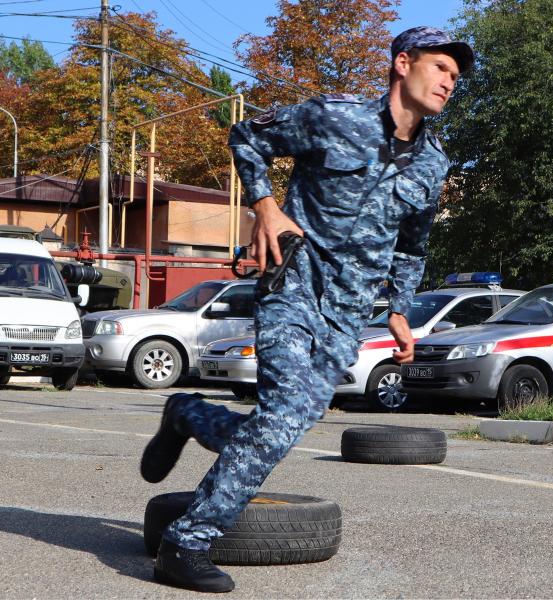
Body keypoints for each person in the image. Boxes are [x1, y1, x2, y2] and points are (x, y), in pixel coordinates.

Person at [140, 26, 474, 593]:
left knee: (284, 423)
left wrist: (398, 307)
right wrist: (266, 208)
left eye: (456, 77)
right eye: (441, 67)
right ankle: (186, 541)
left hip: (348, 312)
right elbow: (246, 135)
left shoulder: (433, 163)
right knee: (287, 412)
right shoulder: (333, 118)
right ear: (403, 64)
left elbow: (413, 243)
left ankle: (188, 414)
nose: (449, 81)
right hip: (293, 285)